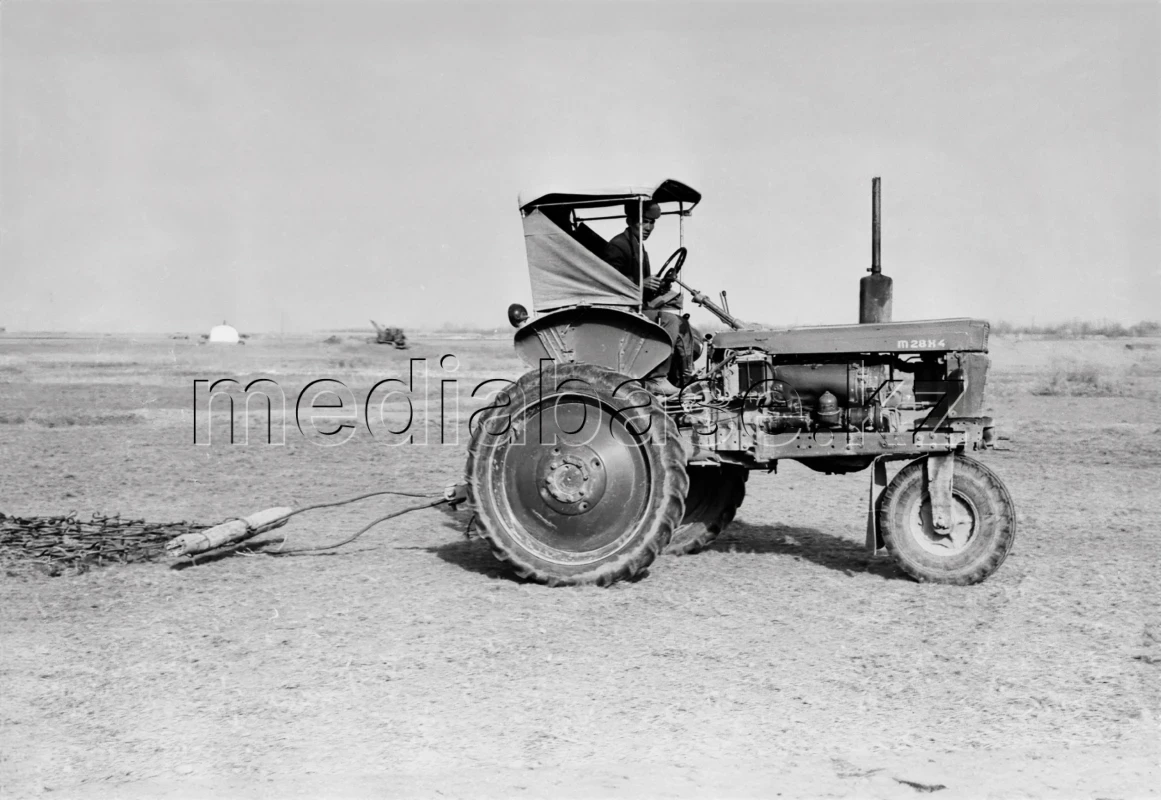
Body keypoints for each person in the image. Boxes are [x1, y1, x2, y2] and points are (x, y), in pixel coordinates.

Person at [605, 201, 699, 396]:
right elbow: (609, 283)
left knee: (687, 327)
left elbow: (641, 287)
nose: (649, 228)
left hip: (636, 306)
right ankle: (656, 378)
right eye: (644, 222)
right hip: (620, 311)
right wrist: (641, 284)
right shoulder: (618, 245)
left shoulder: (638, 246)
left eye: (652, 223)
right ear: (630, 221)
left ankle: (683, 379)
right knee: (670, 321)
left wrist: (660, 285)